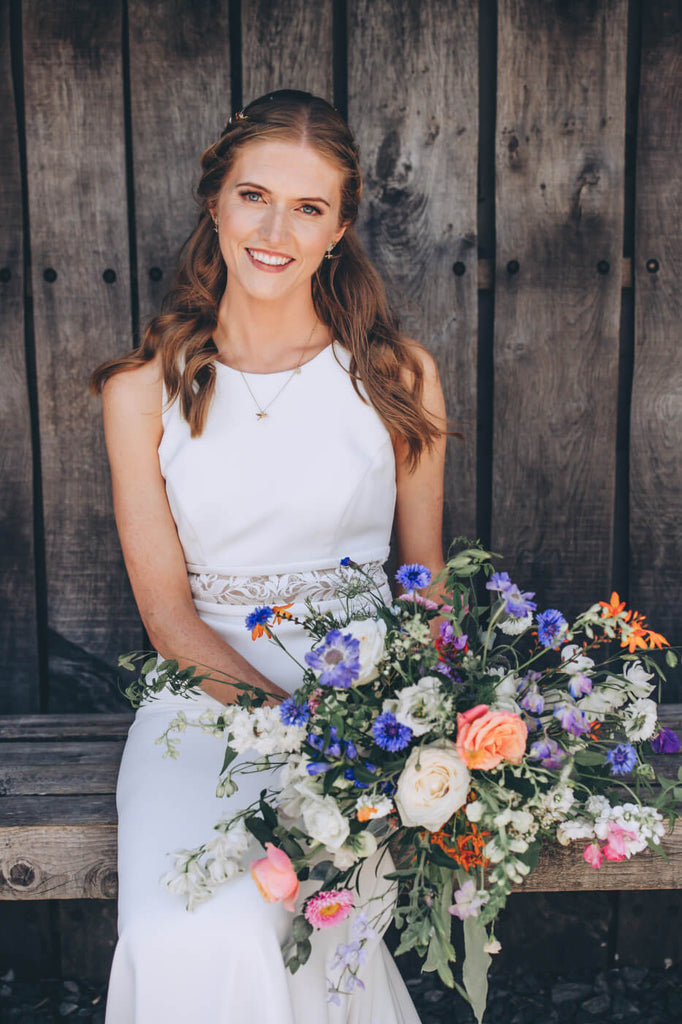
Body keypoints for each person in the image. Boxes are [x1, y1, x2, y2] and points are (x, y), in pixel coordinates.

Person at [92, 89, 448, 1024]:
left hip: (366, 711)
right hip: (203, 701)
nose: (274, 229)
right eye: (254, 196)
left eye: (308, 207)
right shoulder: (142, 390)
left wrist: (414, 737)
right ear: (214, 202)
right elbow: (167, 614)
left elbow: (426, 584)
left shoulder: (395, 377)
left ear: (341, 228)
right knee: (184, 934)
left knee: (282, 924)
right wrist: (297, 726)